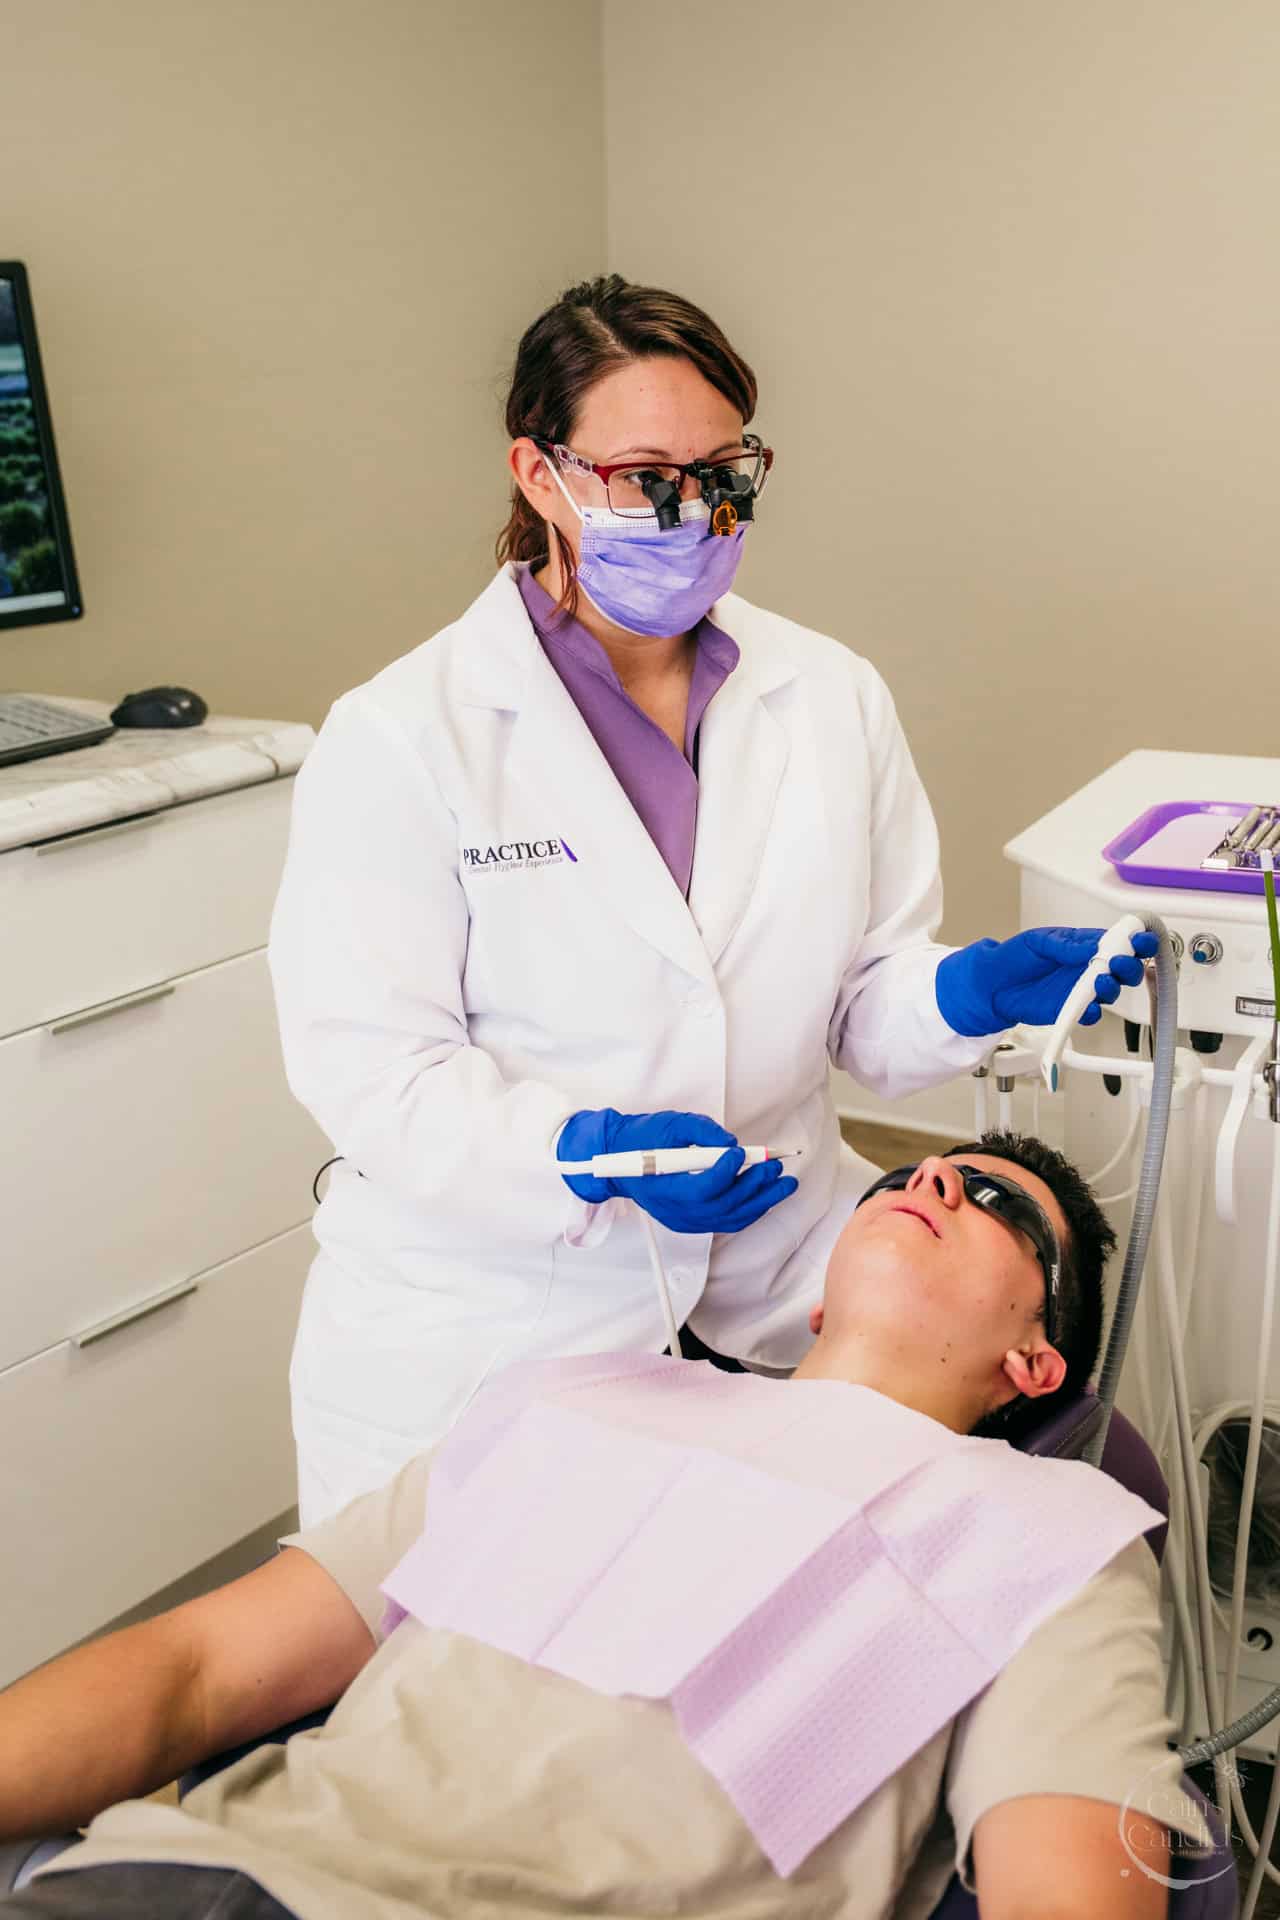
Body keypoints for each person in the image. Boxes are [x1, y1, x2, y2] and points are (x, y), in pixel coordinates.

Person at [267, 273, 1155, 1521]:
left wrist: (958, 991)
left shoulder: (828, 693)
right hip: (506, 1302)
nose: (692, 511)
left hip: (780, 1260)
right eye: (643, 477)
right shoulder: (406, 737)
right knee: (490, 1665)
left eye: (723, 471)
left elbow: (858, 1005)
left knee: (1015, 1503)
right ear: (540, 474)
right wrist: (575, 1160)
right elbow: (375, 1074)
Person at [0, 1132, 1207, 1920]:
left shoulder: (1041, 1528)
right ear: (822, 1290)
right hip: (182, 1876)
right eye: (901, 1179)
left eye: (993, 1202)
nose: (930, 1182)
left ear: (1032, 1359)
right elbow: (194, 1672)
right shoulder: (573, 1401)